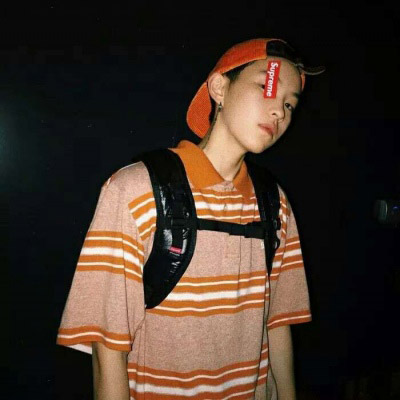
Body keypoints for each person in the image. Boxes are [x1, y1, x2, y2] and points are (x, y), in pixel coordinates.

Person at [57, 38, 324, 400]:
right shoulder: (135, 190)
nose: (279, 111)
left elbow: (277, 323)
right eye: (267, 86)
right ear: (219, 88)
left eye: (290, 104)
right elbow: (108, 348)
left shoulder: (275, 203)